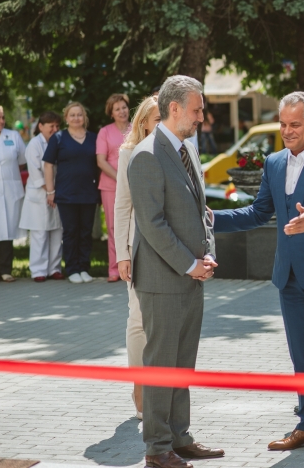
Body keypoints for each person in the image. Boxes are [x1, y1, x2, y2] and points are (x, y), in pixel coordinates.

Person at [213, 91, 304, 459]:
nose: (286, 131)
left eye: (294, 124)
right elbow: (258, 212)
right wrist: (212, 218)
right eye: (282, 124)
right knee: (302, 356)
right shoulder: (274, 163)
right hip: (289, 276)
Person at [128, 76, 222, 468]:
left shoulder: (188, 150)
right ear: (174, 108)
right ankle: (156, 449)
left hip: (191, 276)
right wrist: (189, 263)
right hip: (164, 280)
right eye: (197, 109)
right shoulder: (146, 154)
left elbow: (201, 212)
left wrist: (208, 256)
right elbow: (152, 224)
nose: (202, 116)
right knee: (162, 365)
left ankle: (179, 437)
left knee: (183, 362)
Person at [115, 95, 160, 420]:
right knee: (138, 319)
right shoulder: (129, 152)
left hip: (172, 249)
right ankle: (140, 384)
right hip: (138, 247)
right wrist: (122, 254)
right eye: (157, 118)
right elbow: (122, 206)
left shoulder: (181, 149)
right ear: (143, 121)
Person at [42, 102, 99, 284]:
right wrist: (50, 191)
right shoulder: (58, 138)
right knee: (71, 231)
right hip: (67, 193)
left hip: (89, 192)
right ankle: (72, 269)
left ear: (85, 118)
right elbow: (48, 165)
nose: (76, 118)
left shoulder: (93, 138)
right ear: (66, 118)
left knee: (85, 232)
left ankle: (84, 267)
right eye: (72, 115)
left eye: (79, 114)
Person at [19, 111, 65, 282]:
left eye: (57, 126)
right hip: (39, 194)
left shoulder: (58, 142)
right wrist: (50, 191)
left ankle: (54, 268)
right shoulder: (34, 145)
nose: (54, 129)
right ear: (41, 126)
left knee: (56, 232)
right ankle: (38, 270)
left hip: (56, 193)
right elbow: (36, 172)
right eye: (51, 126)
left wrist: (54, 192)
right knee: (40, 233)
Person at [97, 93, 131, 282]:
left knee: (134, 226)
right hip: (111, 187)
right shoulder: (105, 132)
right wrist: (120, 178)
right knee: (113, 227)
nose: (122, 111)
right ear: (111, 113)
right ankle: (114, 268)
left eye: (124, 107)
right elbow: (101, 161)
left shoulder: (137, 129)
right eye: (117, 109)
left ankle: (133, 266)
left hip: (134, 185)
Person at [0, 104, 27, 283]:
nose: (1, 121)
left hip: (9, 190)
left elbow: (21, 161)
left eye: (2, 118)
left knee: (7, 228)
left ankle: (6, 270)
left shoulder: (13, 136)